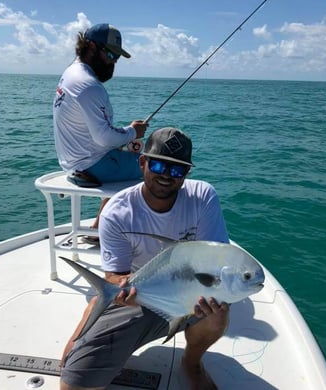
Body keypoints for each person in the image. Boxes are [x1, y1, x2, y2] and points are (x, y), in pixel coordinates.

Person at [60, 127, 230, 390]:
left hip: (188, 293)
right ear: (142, 162)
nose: (166, 175)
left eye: (177, 170)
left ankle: (192, 362)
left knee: (217, 313)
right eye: (160, 165)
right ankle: (98, 304)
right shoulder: (117, 212)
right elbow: (115, 276)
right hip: (140, 297)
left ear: (186, 174)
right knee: (74, 384)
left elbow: (214, 261)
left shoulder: (203, 197)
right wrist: (119, 289)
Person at [53, 23, 148, 230]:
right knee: (159, 167)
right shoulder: (88, 84)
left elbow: (98, 135)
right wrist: (133, 131)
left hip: (74, 161)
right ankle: (121, 233)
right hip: (93, 165)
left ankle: (98, 227)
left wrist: (127, 136)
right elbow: (104, 138)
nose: (113, 63)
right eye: (110, 55)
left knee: (132, 152)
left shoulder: (70, 74)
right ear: (91, 47)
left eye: (117, 58)